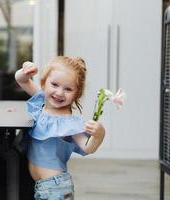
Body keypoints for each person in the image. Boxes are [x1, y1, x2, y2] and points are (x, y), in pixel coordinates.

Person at [15, 56, 106, 200]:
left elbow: (88, 147)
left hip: (56, 188)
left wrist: (99, 135)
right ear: (45, 82)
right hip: (40, 186)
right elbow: (21, 79)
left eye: (68, 89)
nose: (59, 93)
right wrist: (25, 71)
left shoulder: (69, 123)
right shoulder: (42, 100)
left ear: (77, 94)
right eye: (55, 84)